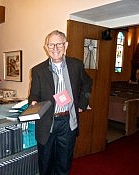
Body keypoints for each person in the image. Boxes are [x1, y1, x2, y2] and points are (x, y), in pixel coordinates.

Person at [28, 30, 92, 175]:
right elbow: (33, 95)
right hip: (47, 122)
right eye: (51, 45)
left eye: (59, 44)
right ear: (46, 47)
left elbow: (88, 83)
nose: (55, 48)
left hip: (68, 122)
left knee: (64, 163)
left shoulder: (76, 65)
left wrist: (82, 103)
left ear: (66, 45)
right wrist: (33, 102)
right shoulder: (38, 70)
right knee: (45, 163)